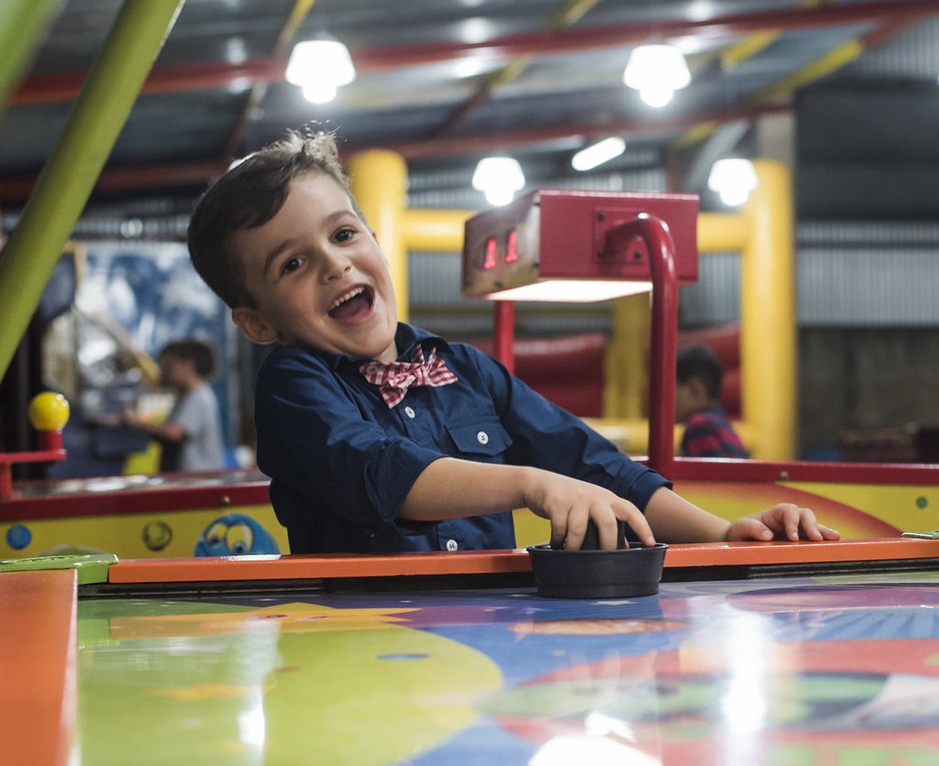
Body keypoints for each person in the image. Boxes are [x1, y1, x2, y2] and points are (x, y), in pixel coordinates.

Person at [186, 127, 838, 553]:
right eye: (293, 265)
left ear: (372, 238)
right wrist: (530, 485)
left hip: (489, 649)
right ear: (259, 322)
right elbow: (378, 469)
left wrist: (725, 535)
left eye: (344, 234)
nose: (335, 264)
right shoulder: (295, 386)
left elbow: (588, 462)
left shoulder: (464, 369)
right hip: (362, 654)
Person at [105, 338, 226, 472]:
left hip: (198, 480)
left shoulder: (199, 397)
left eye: (169, 366)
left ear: (189, 365)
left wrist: (136, 423)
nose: (163, 373)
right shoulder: (182, 397)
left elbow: (174, 433)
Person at [675, 345, 750, 459]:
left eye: (670, 390)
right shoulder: (724, 426)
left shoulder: (699, 426)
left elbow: (706, 476)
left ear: (694, 389)